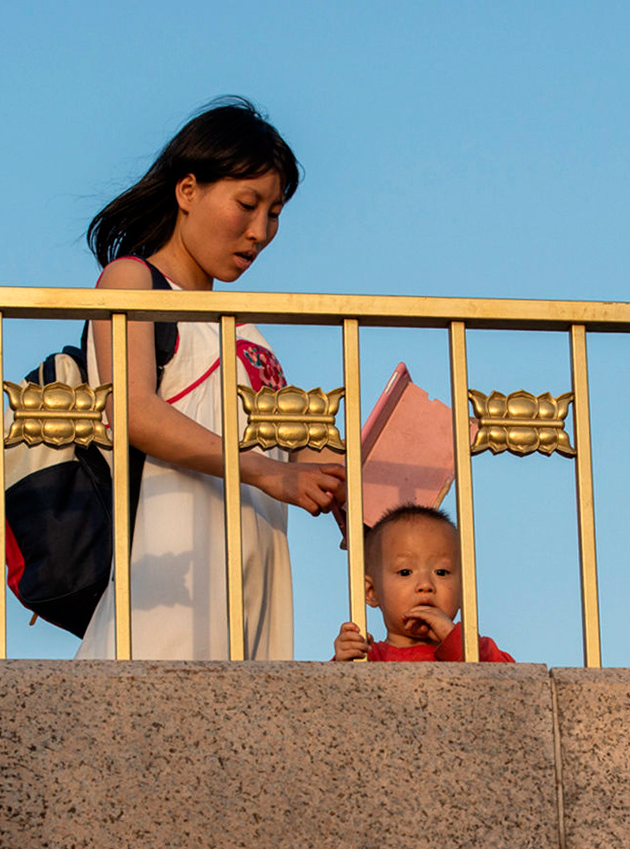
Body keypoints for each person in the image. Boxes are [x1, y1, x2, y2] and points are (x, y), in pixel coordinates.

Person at [75, 98, 344, 660]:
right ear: (188, 190)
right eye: (247, 204)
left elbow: (302, 451)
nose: (259, 231)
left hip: (255, 584)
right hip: (168, 581)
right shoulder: (132, 280)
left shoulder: (248, 331)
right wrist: (267, 472)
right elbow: (134, 410)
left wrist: (390, 467)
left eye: (274, 213)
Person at [331, 505, 514, 663]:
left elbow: (509, 682)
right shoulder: (369, 657)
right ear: (371, 592)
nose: (426, 585)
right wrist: (344, 661)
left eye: (441, 572)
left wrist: (456, 641)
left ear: (463, 591)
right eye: (405, 572)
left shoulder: (476, 651)